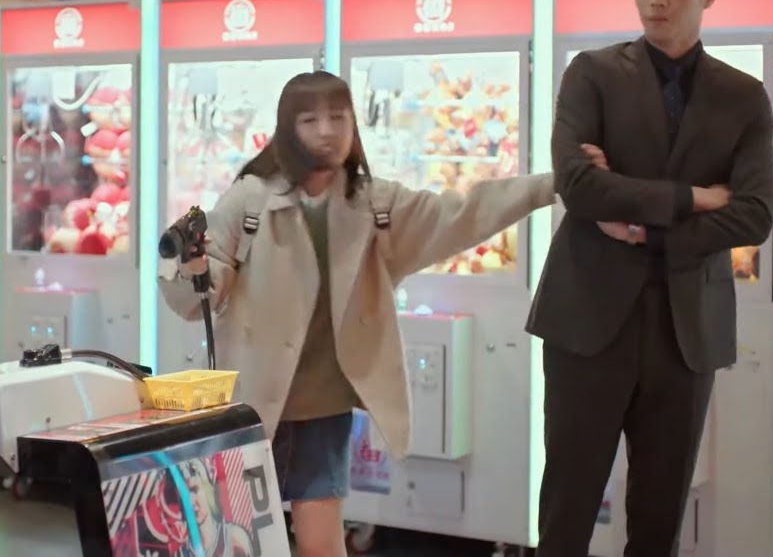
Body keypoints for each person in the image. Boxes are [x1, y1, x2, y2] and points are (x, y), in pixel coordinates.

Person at [158, 70, 554, 557]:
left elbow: (460, 212)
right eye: (310, 120)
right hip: (252, 403)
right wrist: (190, 267)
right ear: (287, 128)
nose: (326, 130)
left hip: (325, 408)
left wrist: (549, 187)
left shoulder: (376, 204)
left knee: (321, 542)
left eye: (337, 117)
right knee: (242, 540)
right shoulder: (251, 199)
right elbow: (201, 291)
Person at [527, 0, 773, 555]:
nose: (657, 0)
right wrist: (692, 198)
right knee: (567, 506)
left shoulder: (743, 96)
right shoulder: (592, 73)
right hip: (586, 318)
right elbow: (578, 185)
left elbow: (753, 215)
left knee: (661, 513)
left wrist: (645, 230)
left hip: (686, 327)